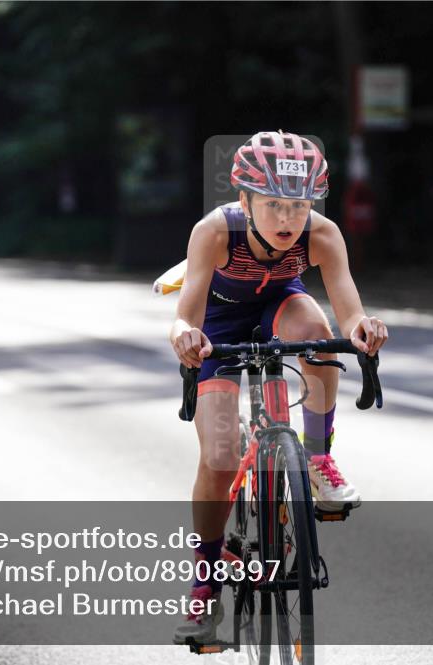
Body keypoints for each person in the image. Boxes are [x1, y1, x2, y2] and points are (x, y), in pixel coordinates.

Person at [169, 131, 388, 644]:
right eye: (273, 206)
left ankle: (317, 459)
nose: (288, 219)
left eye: (297, 205)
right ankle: (205, 587)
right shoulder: (215, 231)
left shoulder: (323, 233)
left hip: (279, 308)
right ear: (244, 201)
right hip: (218, 325)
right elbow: (186, 316)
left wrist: (362, 328)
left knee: (317, 331)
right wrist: (184, 336)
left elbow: (348, 308)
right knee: (220, 458)